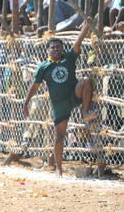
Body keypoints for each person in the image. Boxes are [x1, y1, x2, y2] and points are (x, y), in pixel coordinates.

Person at [23, 17, 97, 177]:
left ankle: (85, 112)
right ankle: (59, 168)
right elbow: (34, 86)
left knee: (85, 82)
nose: (56, 50)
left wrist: (86, 27)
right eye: (52, 48)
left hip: (73, 95)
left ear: (63, 50)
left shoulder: (68, 58)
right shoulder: (43, 67)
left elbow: (78, 42)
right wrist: (26, 102)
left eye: (58, 47)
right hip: (59, 104)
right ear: (47, 51)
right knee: (59, 137)